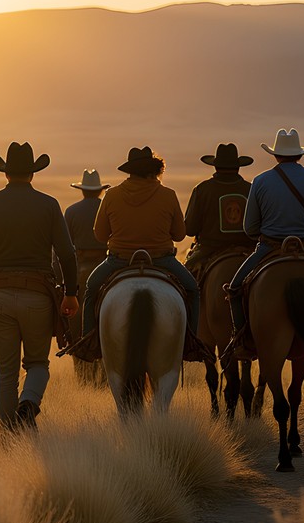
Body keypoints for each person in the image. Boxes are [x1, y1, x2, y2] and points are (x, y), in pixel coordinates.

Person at [0, 141, 79, 431]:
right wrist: (70, 294)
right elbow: (67, 255)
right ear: (32, 173)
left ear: (5, 173)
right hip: (38, 297)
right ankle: (28, 404)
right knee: (38, 364)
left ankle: (9, 437)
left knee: (5, 372)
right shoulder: (49, 204)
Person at [81, 146, 202, 360]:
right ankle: (190, 344)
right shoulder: (168, 195)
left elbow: (100, 235)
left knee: (91, 288)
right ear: (153, 170)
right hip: (161, 260)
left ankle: (88, 342)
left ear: (130, 171)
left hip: (119, 260)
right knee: (192, 289)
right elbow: (179, 234)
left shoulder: (112, 195)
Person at [227, 128, 304, 343]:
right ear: (299, 154)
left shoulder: (260, 181)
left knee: (234, 288)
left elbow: (250, 228)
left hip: (269, 247)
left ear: (276, 155)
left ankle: (241, 340)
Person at [61, 169, 110, 387]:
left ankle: (80, 369)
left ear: (82, 190)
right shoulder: (107, 208)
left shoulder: (71, 212)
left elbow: (64, 248)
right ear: (99, 190)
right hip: (107, 265)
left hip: (80, 267)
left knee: (71, 315)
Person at [184, 143, 256, 279]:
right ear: (238, 167)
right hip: (248, 247)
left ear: (215, 166)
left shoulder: (202, 189)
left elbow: (190, 229)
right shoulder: (251, 190)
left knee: (184, 279)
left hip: (209, 248)